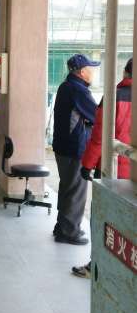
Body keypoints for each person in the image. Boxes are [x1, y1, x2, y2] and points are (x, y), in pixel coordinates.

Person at [72, 57, 133, 278]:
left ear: (125, 72)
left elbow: (100, 136)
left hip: (112, 169)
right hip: (132, 171)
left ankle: (96, 266)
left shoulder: (115, 96)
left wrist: (87, 165)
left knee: (104, 218)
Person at [52, 53, 100, 245]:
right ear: (81, 72)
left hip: (63, 146)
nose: (93, 72)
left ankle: (61, 226)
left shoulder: (65, 86)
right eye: (91, 69)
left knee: (67, 187)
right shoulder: (78, 90)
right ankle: (70, 231)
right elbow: (97, 116)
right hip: (74, 147)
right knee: (76, 191)